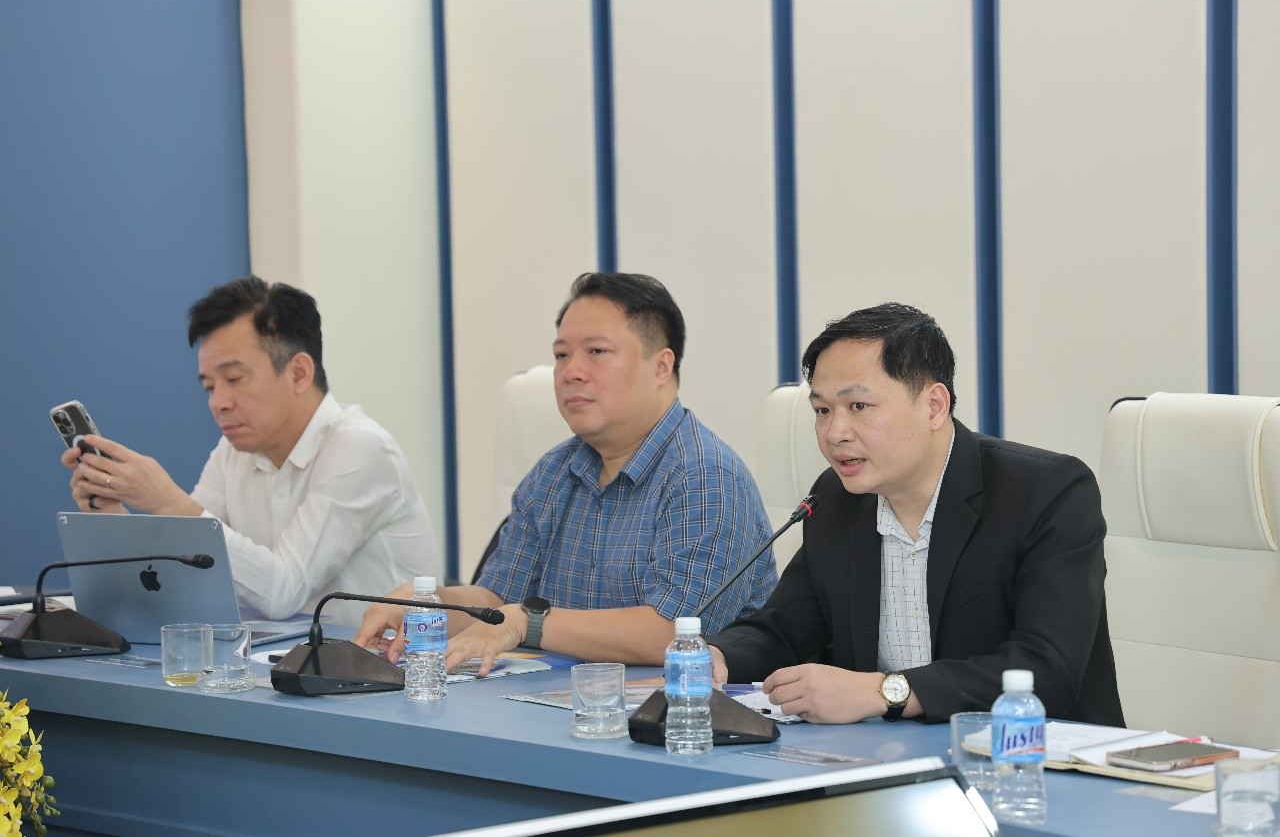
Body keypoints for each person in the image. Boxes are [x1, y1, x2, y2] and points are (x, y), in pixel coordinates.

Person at [708, 303, 1124, 726]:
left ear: (934, 406)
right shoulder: (835, 498)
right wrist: (719, 655)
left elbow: (1047, 668)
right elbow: (785, 629)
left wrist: (884, 692)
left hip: (1038, 752)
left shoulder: (1046, 492)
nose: (835, 433)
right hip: (891, 752)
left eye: (859, 406)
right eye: (822, 410)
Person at [354, 272, 777, 672]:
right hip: (555, 703)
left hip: (678, 712)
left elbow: (675, 633)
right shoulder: (554, 472)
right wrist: (430, 604)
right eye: (561, 355)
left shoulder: (705, 476)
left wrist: (529, 622)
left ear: (661, 367)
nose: (571, 372)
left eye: (596, 352)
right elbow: (497, 599)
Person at [61, 276, 439, 624]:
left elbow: (282, 591)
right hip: (287, 662)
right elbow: (182, 576)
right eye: (209, 386)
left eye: (234, 378)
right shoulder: (233, 452)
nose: (218, 403)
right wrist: (114, 516)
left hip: (390, 666)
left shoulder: (360, 448)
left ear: (299, 373)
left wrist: (166, 500)